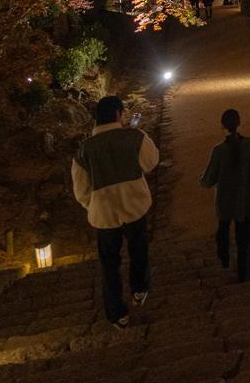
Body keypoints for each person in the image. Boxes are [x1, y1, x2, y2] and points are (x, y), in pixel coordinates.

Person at [72, 96, 160, 327]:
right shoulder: (134, 137)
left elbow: (81, 190)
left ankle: (116, 312)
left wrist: (94, 204)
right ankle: (139, 289)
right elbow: (151, 162)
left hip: (104, 216)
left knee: (109, 265)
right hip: (135, 207)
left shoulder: (84, 151)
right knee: (139, 251)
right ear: (119, 114)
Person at [199, 108, 250, 282]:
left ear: (223, 127)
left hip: (226, 202)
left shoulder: (219, 151)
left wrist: (202, 180)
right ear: (239, 124)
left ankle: (224, 257)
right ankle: (244, 274)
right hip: (249, 201)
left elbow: (208, 180)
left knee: (223, 229)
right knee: (244, 241)